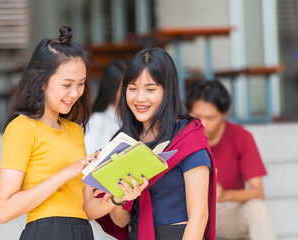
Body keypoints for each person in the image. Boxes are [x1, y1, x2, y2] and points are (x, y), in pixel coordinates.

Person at [84, 47, 217, 240]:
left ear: (167, 90)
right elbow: (121, 221)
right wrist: (120, 199)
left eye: (150, 89)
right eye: (132, 88)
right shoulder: (123, 141)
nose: (139, 98)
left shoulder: (188, 137)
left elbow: (199, 216)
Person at [0, 26, 100, 240]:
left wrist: (119, 197)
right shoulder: (22, 127)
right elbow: (3, 211)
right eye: (66, 84)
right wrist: (65, 173)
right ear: (42, 81)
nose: (75, 93)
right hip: (45, 232)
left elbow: (84, 211)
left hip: (81, 232)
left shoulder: (75, 131)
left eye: (81, 84)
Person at [185, 80, 277, 240]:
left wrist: (224, 195)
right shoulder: (182, 136)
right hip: (185, 214)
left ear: (224, 113)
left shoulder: (241, 137)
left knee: (259, 210)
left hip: (222, 212)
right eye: (197, 116)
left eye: (210, 117)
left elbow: (258, 191)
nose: (203, 124)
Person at [84, 58, 128, 155]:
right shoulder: (97, 121)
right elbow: (89, 161)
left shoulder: (134, 119)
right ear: (112, 88)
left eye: (133, 87)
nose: (129, 93)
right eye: (123, 88)